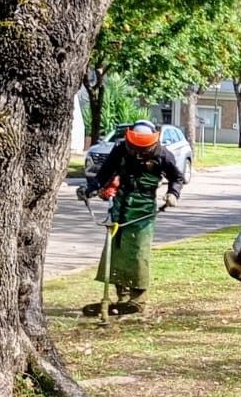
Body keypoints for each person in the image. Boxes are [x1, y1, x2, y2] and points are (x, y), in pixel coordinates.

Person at [78, 120, 183, 315]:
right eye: (134, 149)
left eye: (142, 150)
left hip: (144, 208)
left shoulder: (162, 154)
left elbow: (177, 178)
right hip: (121, 204)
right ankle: (122, 297)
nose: (138, 153)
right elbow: (104, 174)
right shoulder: (120, 149)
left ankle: (138, 300)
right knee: (117, 250)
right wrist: (90, 189)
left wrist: (172, 194)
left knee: (138, 252)